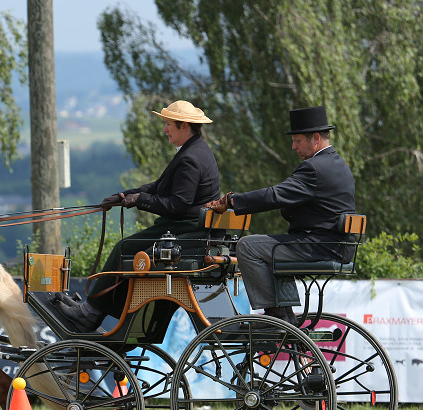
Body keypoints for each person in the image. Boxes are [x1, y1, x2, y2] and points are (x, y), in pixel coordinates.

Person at [54, 100, 220, 332]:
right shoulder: (194, 151)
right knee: (128, 249)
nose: (164, 130)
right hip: (190, 227)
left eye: (169, 124)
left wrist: (139, 200)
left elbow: (177, 206)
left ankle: (89, 314)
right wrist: (124, 196)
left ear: (185, 126)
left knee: (124, 248)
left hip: (187, 230)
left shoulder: (190, 158)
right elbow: (159, 186)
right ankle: (95, 309)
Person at [206, 105, 355, 324]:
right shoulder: (339, 164)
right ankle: (286, 315)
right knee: (270, 248)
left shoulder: (314, 168)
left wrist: (231, 201)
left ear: (315, 138)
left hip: (318, 246)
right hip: (336, 245)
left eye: (297, 141)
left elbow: (274, 195)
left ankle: (275, 314)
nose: (293, 147)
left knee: (248, 246)